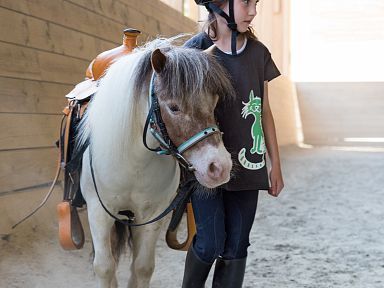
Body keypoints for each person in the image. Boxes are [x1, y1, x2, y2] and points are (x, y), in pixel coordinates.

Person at [181, 0, 284, 287]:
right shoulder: (192, 52)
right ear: (217, 5)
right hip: (206, 168)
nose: (253, 11)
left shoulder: (258, 53)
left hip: (249, 164)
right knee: (209, 243)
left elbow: (263, 109)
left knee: (237, 246)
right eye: (246, 3)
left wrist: (275, 164)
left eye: (256, 4)